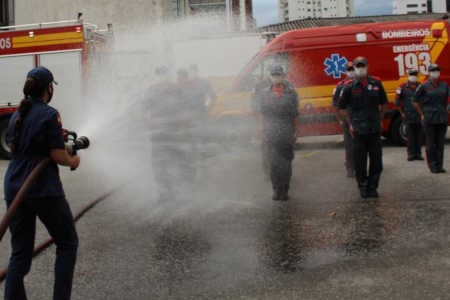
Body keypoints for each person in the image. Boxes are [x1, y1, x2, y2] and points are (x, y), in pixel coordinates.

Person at [4, 66, 80, 300]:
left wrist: (56, 136)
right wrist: (73, 160)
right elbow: (57, 155)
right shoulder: (50, 113)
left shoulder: (18, 114)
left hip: (15, 184)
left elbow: (26, 144)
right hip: (41, 186)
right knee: (67, 243)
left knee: (20, 253)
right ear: (48, 87)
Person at [338, 57, 388, 198]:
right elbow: (341, 107)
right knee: (360, 161)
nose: (360, 68)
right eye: (357, 66)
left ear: (367, 67)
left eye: (362, 66)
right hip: (358, 129)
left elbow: (384, 102)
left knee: (376, 160)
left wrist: (380, 117)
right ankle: (363, 187)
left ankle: (373, 186)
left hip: (374, 128)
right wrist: (350, 123)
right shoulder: (348, 87)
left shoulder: (376, 84)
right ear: (353, 68)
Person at [142, 66, 188, 202]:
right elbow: (143, 113)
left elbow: (185, 110)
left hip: (173, 133)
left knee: (175, 162)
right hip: (157, 135)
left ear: (167, 75)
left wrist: (182, 128)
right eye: (158, 74)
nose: (160, 76)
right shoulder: (150, 91)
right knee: (158, 165)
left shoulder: (176, 90)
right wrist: (148, 129)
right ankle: (162, 194)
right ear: (155, 75)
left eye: (162, 73)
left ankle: (175, 192)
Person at [259, 64, 301, 201]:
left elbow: (295, 113)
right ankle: (276, 189)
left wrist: (297, 131)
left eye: (278, 75)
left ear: (283, 76)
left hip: (287, 131)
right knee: (274, 162)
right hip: (271, 132)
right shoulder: (265, 93)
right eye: (273, 75)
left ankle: (285, 189)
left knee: (286, 162)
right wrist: (262, 130)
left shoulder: (291, 93)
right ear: (270, 77)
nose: (276, 77)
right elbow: (262, 114)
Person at [250, 65, 296, 181]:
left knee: (285, 152)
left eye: (277, 73)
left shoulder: (287, 85)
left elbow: (294, 106)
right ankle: (268, 173)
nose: (275, 75)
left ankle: (284, 174)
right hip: (268, 125)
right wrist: (261, 123)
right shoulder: (260, 86)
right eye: (271, 72)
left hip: (285, 126)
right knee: (267, 151)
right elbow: (254, 105)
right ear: (268, 72)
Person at [412, 63, 450, 173]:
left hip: (442, 118)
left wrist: (447, 109)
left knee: (440, 144)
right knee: (430, 144)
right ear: (429, 72)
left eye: (437, 70)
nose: (435, 72)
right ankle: (432, 165)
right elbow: (414, 100)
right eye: (433, 70)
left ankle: (440, 165)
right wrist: (422, 114)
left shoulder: (444, 85)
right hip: (429, 118)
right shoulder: (424, 85)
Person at [176, 67, 205, 181]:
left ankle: (191, 175)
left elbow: (202, 109)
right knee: (181, 151)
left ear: (186, 76)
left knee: (192, 151)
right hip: (179, 126)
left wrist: (198, 123)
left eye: (181, 75)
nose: (179, 78)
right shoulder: (174, 89)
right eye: (178, 75)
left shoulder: (196, 89)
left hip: (192, 125)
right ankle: (183, 174)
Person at [331, 62, 356, 178]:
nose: (351, 71)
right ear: (345, 71)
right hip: (347, 120)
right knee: (349, 145)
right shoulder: (340, 86)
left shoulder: (361, 83)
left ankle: (360, 166)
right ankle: (350, 167)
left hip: (360, 119)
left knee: (362, 144)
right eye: (349, 70)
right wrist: (340, 120)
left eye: (353, 69)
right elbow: (335, 105)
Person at [188, 63, 217, 160]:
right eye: (191, 70)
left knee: (202, 137)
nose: (192, 72)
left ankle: (202, 159)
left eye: (194, 70)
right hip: (190, 116)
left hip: (201, 114)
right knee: (191, 139)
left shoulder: (204, 83)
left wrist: (208, 110)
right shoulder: (186, 83)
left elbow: (213, 97)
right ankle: (194, 158)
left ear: (197, 71)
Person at [394, 69, 424, 161]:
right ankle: (411, 154)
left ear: (417, 76)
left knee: (419, 136)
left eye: (415, 74)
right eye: (411, 74)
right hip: (408, 115)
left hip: (419, 115)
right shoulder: (402, 87)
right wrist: (402, 113)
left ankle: (418, 154)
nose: (413, 76)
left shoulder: (421, 86)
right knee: (410, 136)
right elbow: (397, 102)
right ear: (408, 75)